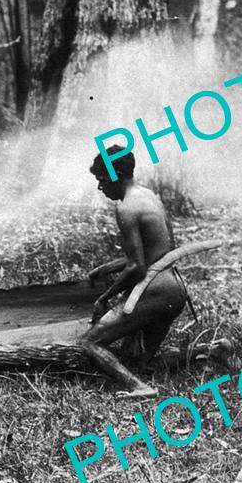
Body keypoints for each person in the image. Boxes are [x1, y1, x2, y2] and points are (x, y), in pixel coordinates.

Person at [82, 146, 187, 399]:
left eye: (103, 180)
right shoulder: (149, 196)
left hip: (156, 291)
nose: (101, 188)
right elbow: (156, 252)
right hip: (175, 289)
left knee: (89, 343)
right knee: (137, 361)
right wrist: (105, 268)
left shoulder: (126, 208)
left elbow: (137, 267)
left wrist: (103, 298)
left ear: (117, 174)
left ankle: (139, 387)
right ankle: (212, 350)